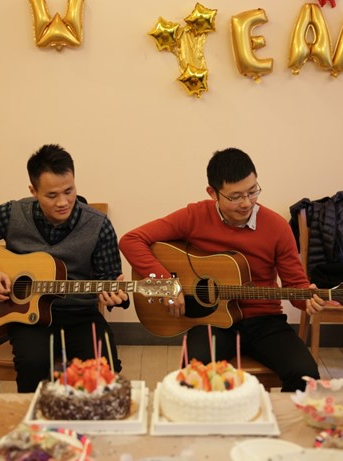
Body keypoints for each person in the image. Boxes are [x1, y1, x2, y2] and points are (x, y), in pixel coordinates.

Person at [119, 147, 325, 392]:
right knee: (194, 374)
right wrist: (167, 284)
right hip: (212, 323)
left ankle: (278, 417)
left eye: (252, 191)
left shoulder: (277, 227)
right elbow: (131, 240)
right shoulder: (194, 216)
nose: (246, 203)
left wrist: (308, 298)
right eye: (235, 196)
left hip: (265, 321)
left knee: (306, 375)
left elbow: (296, 286)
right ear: (212, 192)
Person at [0, 144, 128, 393]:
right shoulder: (14, 213)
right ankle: (36, 417)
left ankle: (90, 416)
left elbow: (108, 278)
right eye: (52, 195)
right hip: (29, 320)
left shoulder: (98, 225)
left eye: (69, 191)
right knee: (33, 363)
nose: (63, 202)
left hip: (80, 315)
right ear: (33, 191)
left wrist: (113, 294)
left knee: (104, 368)